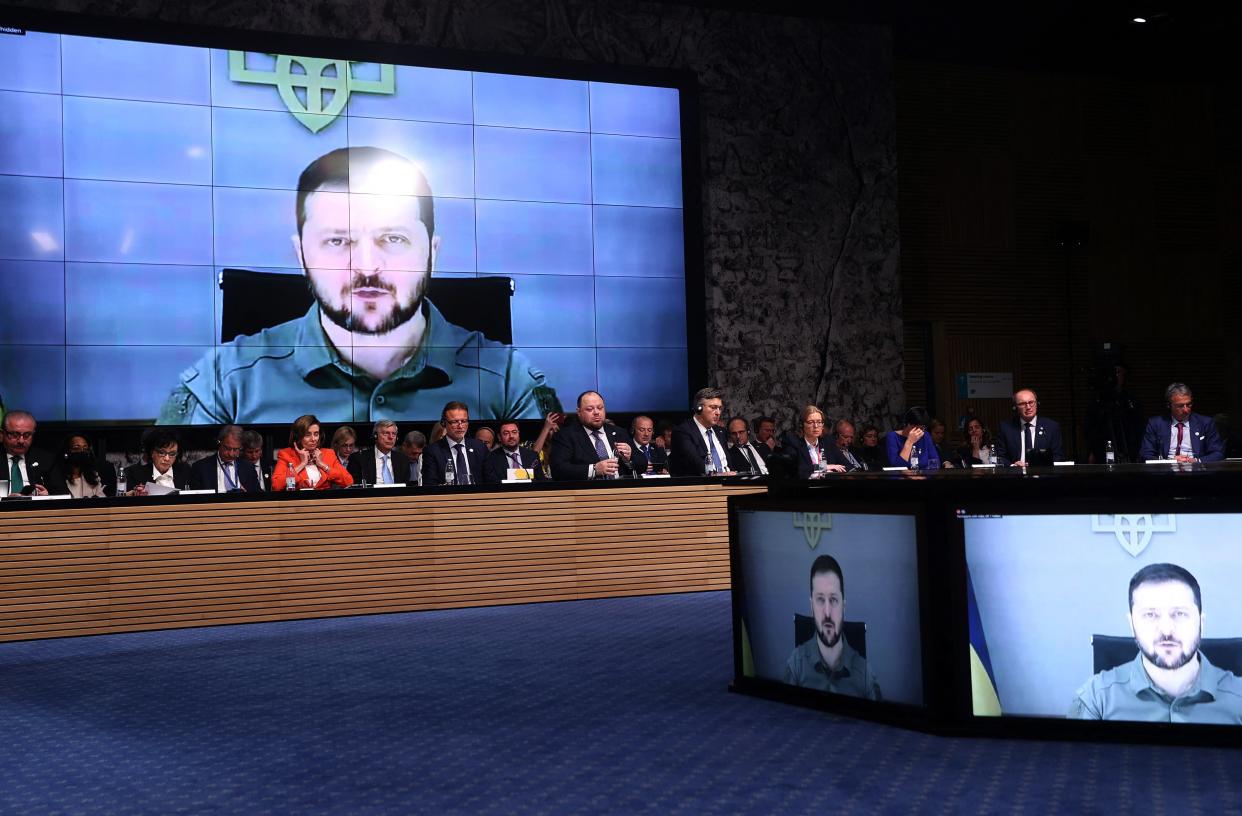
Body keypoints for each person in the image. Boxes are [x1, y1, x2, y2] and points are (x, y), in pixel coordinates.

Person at [158, 146, 556, 424]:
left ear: (432, 253)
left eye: (394, 239)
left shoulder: (507, 380)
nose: (366, 266)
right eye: (338, 241)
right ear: (301, 256)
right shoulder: (223, 384)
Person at [1069, 563, 1242, 723]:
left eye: (1180, 614)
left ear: (1201, 623)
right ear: (1132, 625)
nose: (1166, 630)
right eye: (1150, 615)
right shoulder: (1095, 699)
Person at [783, 554, 881, 700]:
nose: (827, 612)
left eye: (834, 600)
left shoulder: (864, 675)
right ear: (811, 606)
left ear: (844, 606)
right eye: (820, 600)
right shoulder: (796, 665)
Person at [548, 391, 645, 481]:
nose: (596, 412)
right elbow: (558, 470)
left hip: (622, 492)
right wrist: (593, 469)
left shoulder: (619, 433)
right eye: (590, 409)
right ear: (579, 412)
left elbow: (643, 465)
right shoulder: (566, 436)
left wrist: (630, 456)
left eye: (600, 408)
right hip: (587, 495)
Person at [1137, 383, 1224, 463]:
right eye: (1180, 406)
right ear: (1169, 405)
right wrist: (1170, 461)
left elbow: (1218, 453)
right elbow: (1145, 454)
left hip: (1197, 470)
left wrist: (1196, 460)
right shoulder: (1156, 423)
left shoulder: (1205, 423)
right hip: (1166, 471)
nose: (1186, 410)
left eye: (1189, 404)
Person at [272, 414, 353, 490]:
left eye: (316, 434)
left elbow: (349, 482)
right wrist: (302, 464)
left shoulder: (328, 454)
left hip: (324, 502)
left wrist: (323, 465)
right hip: (299, 502)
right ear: (298, 437)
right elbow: (276, 485)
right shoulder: (286, 455)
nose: (313, 439)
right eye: (308, 435)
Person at [669, 388, 734, 477]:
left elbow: (729, 464)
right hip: (702, 485)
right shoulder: (682, 432)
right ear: (698, 409)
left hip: (729, 482)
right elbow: (695, 464)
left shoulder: (720, 431)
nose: (718, 412)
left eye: (720, 408)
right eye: (713, 407)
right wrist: (719, 475)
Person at [422, 401, 489, 486]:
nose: (460, 426)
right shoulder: (432, 451)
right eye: (454, 422)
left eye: (464, 421)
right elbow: (430, 485)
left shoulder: (479, 447)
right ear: (444, 423)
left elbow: (490, 481)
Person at [994, 389, 1064, 466]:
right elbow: (1000, 456)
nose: (1028, 407)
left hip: (1043, 473)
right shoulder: (1005, 428)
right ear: (1015, 407)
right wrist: (1013, 465)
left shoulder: (1051, 426)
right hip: (1015, 474)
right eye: (1022, 404)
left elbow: (1058, 456)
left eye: (1031, 402)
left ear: (1037, 404)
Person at [189, 425, 262, 493]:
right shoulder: (200, 468)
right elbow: (196, 499)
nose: (231, 454)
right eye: (227, 448)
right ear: (219, 443)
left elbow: (259, 496)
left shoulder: (248, 467)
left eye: (236, 449)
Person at [783, 405, 846, 479]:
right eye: (811, 422)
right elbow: (798, 470)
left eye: (819, 422)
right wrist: (824, 467)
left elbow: (847, 466)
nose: (816, 426)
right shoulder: (794, 444)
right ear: (802, 425)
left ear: (822, 425)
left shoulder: (828, 443)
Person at [123, 429, 192, 495]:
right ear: (152, 452)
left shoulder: (185, 471)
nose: (167, 458)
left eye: (172, 454)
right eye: (162, 453)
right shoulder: (132, 474)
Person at [45, 433, 110, 498]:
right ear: (66, 452)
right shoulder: (57, 478)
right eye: (76, 448)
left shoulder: (93, 476)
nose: (82, 451)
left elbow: (102, 499)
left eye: (85, 448)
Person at [347, 419, 410, 486]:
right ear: (375, 436)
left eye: (394, 434)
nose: (391, 437)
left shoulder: (403, 460)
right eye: (386, 433)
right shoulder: (359, 459)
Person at [3, 410, 52, 496]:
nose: (21, 441)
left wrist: (47, 496)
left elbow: (62, 493)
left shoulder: (46, 459)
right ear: (2, 434)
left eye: (27, 435)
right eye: (15, 435)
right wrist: (5, 500)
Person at [482, 420, 547, 483]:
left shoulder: (532, 456)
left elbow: (541, 481)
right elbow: (492, 483)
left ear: (519, 434)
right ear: (499, 437)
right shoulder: (491, 458)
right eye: (506, 433)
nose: (511, 436)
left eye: (514, 432)